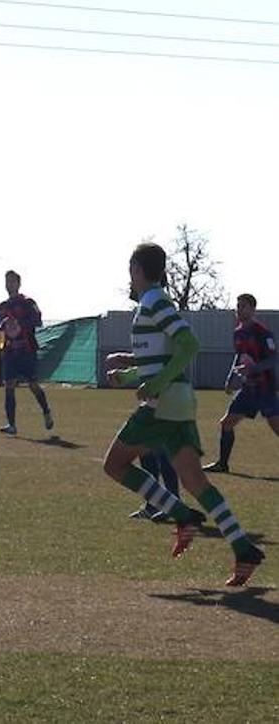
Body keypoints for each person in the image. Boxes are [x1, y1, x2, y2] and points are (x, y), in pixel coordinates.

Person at [101, 243, 264, 587]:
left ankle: (181, 515)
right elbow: (164, 356)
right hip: (178, 400)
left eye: (130, 270)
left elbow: (189, 345)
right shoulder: (152, 303)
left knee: (114, 464)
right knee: (195, 481)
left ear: (139, 270)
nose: (128, 277)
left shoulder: (155, 301)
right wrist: (130, 373)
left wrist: (155, 383)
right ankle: (243, 548)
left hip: (165, 402)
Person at [203, 293, 279, 474]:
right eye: (238, 306)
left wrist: (253, 370)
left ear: (253, 309)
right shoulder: (238, 332)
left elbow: (274, 359)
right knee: (226, 424)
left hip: (265, 389)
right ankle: (222, 464)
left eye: (243, 306)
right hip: (248, 390)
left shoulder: (262, 332)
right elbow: (239, 356)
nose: (239, 309)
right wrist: (231, 378)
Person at [0, 270, 54, 436]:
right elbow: (2, 328)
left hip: (26, 350)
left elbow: (38, 320)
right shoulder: (4, 306)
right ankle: (11, 424)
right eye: (7, 282)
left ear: (19, 284)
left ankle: (46, 411)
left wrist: (19, 323)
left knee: (33, 385)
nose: (9, 285)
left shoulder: (27, 302)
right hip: (10, 351)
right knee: (9, 386)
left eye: (12, 282)